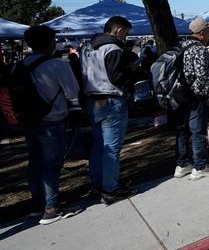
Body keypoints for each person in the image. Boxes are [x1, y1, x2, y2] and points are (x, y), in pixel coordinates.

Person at [21, 26, 82, 224]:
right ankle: (52, 208)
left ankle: (37, 205)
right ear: (50, 42)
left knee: (35, 163)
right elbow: (72, 92)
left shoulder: (21, 64)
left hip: (29, 121)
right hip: (52, 121)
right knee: (51, 166)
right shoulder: (57, 64)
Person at [81, 16, 138, 204]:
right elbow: (117, 78)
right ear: (119, 30)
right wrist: (130, 69)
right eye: (126, 32)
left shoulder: (87, 48)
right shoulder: (113, 49)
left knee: (98, 146)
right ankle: (111, 188)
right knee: (112, 148)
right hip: (112, 100)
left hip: (93, 98)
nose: (126, 36)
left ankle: (98, 184)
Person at [173, 17, 209, 181]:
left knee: (182, 130)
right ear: (203, 32)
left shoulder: (182, 46)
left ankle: (182, 165)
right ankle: (200, 166)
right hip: (194, 96)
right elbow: (202, 75)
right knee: (197, 131)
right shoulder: (199, 49)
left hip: (179, 95)